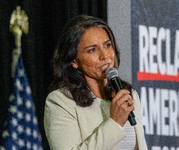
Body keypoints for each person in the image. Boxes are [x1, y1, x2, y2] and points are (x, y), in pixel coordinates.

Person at [44, 15, 148, 150]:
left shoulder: (128, 94)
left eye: (107, 45)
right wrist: (115, 123)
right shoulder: (61, 102)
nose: (105, 56)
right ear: (74, 61)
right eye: (92, 50)